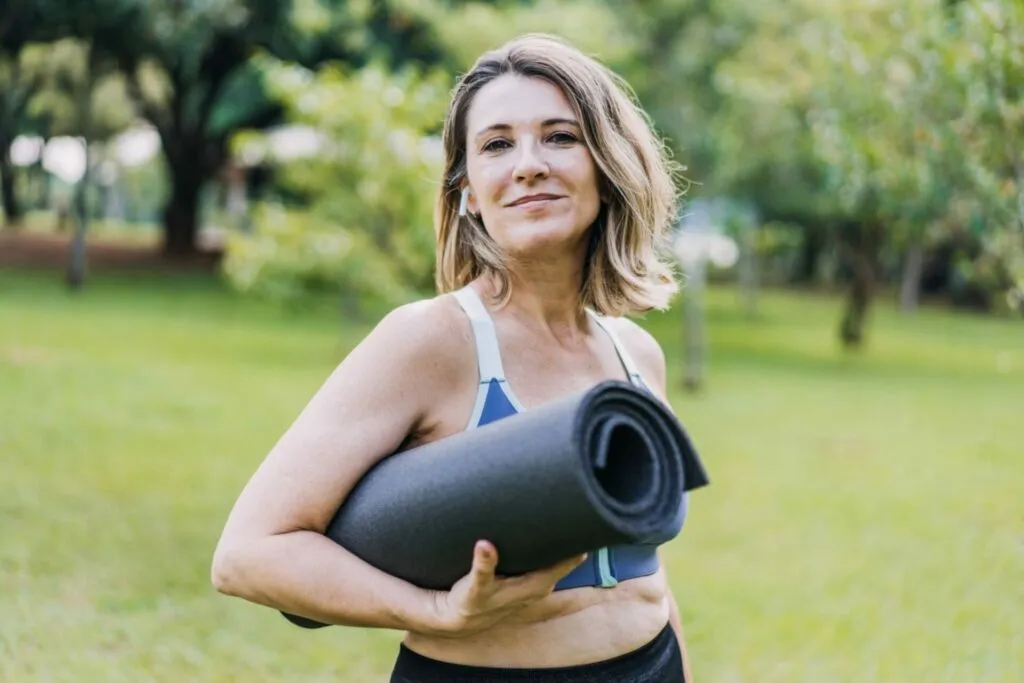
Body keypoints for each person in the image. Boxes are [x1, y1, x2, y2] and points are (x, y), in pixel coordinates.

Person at [211, 32, 696, 683]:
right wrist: (432, 609)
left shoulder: (636, 353)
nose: (528, 164)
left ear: (607, 166)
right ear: (468, 190)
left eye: (560, 136)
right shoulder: (431, 341)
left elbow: (651, 579)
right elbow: (248, 552)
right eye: (497, 144)